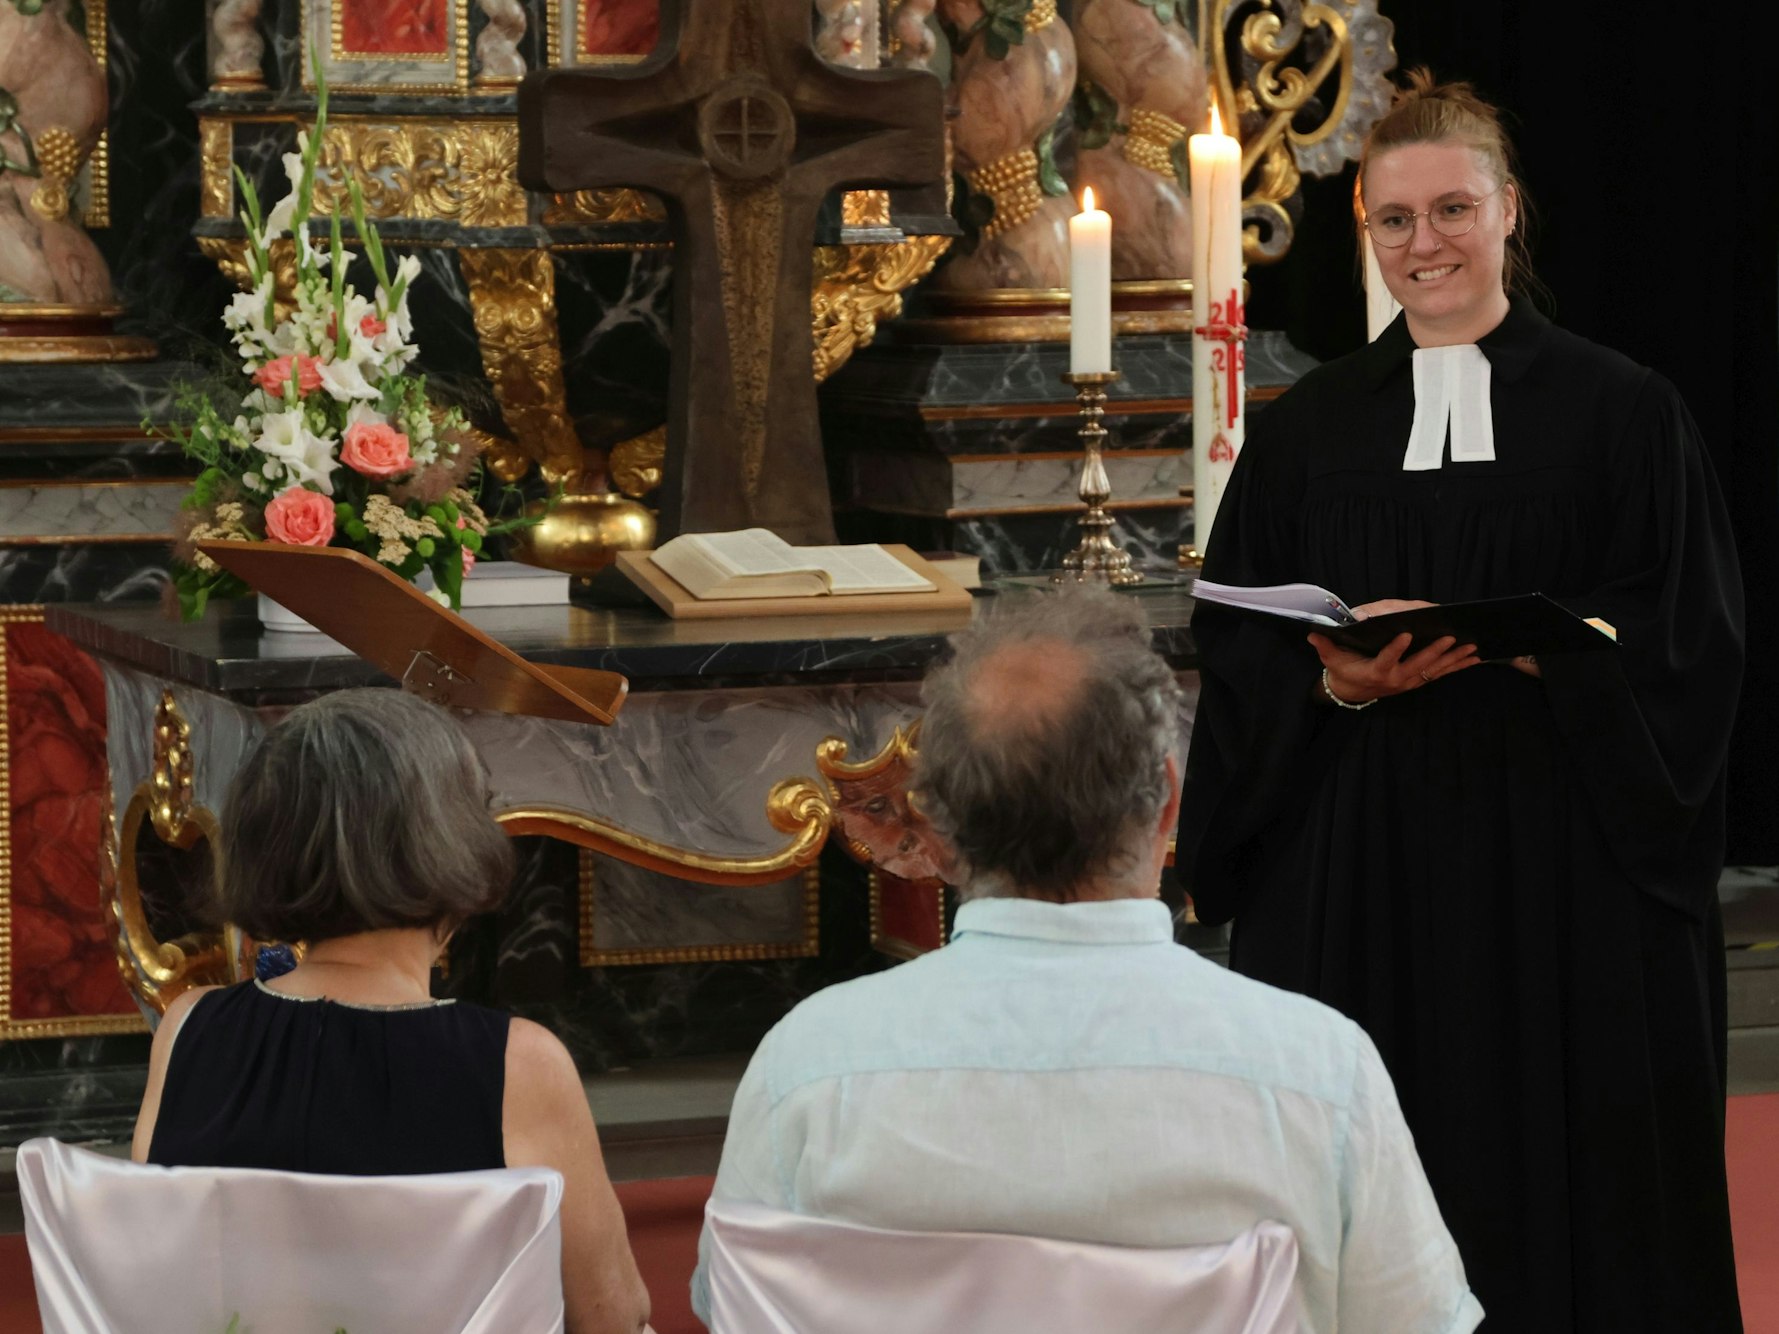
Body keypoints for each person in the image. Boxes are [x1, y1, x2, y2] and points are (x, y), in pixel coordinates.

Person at [1176, 70, 1745, 1332]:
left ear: (1510, 213)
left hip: (1567, 867)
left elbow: (1692, 636)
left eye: (1452, 210)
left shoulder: (1624, 411)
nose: (1422, 243)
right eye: (1393, 220)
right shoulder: (1311, 426)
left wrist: (1551, 651)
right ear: (1365, 231)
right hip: (1362, 860)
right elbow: (1235, 624)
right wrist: (1332, 674)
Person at [692, 590, 1483, 1332]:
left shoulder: (810, 1061)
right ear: (1169, 800)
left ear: (934, 819)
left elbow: (741, 1313)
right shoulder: (1316, 1069)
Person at [131, 688, 652, 1334]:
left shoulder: (188, 1029)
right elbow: (611, 1318)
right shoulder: (520, 1065)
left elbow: (155, 1293)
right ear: (451, 842)